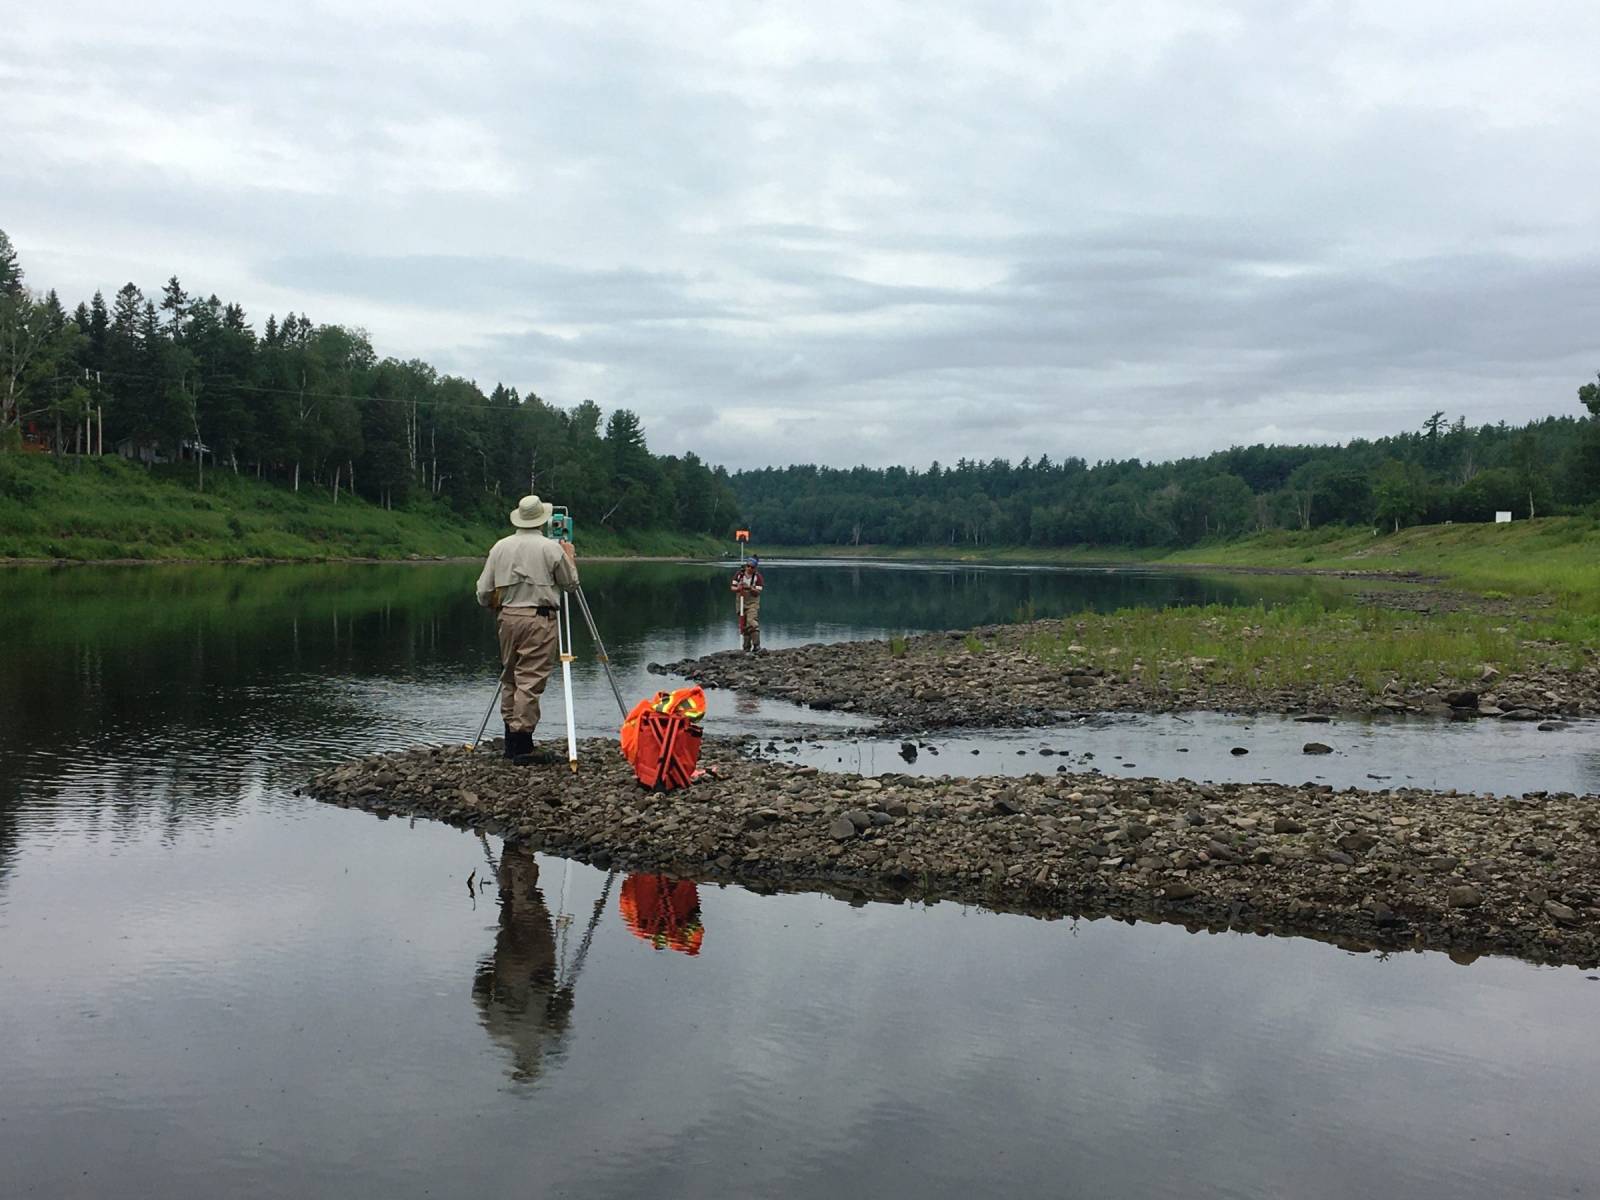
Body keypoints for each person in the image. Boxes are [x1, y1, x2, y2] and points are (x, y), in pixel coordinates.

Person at [475, 495, 579, 764]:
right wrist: (570, 557)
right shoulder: (550, 549)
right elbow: (570, 584)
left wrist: (494, 606)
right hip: (538, 618)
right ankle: (522, 744)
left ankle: (511, 739)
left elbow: (483, 591)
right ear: (542, 520)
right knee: (530, 679)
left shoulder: (500, 547)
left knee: (510, 676)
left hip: (507, 618)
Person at [730, 555, 764, 652]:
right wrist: (738, 588)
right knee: (744, 624)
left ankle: (757, 645)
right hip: (740, 601)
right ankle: (746, 647)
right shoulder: (739, 575)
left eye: (752, 567)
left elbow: (758, 592)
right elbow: (732, 587)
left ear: (755, 568)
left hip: (752, 602)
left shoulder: (758, 577)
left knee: (752, 621)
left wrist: (749, 588)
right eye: (748, 566)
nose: (749, 568)